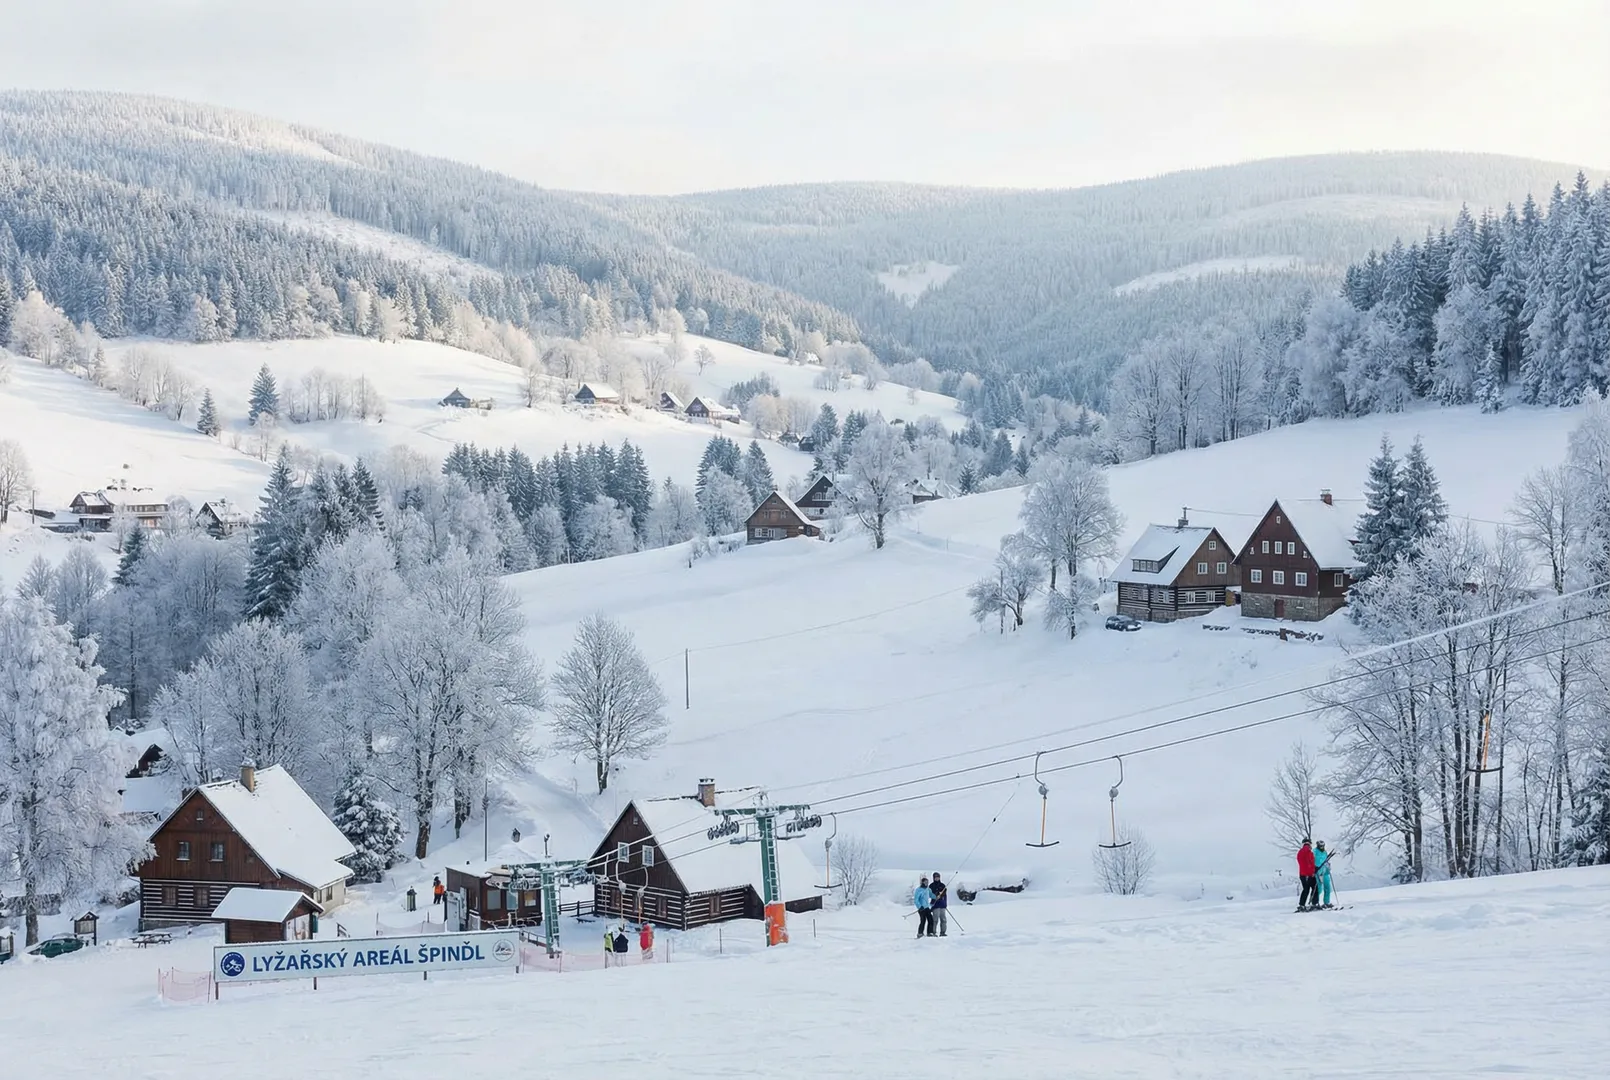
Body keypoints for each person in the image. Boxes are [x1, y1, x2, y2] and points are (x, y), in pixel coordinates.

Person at [1296, 839, 1318, 912]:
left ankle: (1302, 905)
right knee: (1314, 888)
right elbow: (1309, 863)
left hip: (1303, 874)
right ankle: (1313, 904)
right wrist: (1313, 871)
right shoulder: (1308, 851)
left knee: (1306, 889)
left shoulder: (1300, 852)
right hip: (1308, 874)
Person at [1314, 841, 1334, 909]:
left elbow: (1326, 861)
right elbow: (1312, 860)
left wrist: (1328, 866)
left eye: (1323, 845)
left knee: (1328, 887)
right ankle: (1315, 903)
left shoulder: (1325, 852)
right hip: (1318, 872)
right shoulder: (1315, 851)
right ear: (1318, 845)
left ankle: (1326, 902)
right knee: (1319, 888)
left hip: (1325, 872)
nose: (1322, 847)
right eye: (1320, 846)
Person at [928, 872, 948, 937]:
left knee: (943, 919)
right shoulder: (931, 886)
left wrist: (942, 895)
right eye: (935, 877)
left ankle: (943, 932)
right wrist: (936, 895)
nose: (937, 878)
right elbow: (929, 894)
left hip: (942, 905)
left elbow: (945, 895)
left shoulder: (943, 885)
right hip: (935, 905)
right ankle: (933, 932)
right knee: (935, 919)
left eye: (938, 877)